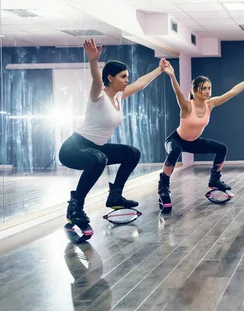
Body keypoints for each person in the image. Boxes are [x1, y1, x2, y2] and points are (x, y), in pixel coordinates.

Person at [59, 39, 165, 234]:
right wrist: (93, 61)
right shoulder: (98, 96)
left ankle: (115, 196)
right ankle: (75, 207)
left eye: (127, 77)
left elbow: (140, 84)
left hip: (95, 148)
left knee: (132, 153)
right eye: (123, 76)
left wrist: (160, 69)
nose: (127, 80)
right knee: (99, 159)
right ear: (110, 77)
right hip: (73, 148)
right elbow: (96, 81)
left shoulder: (118, 96)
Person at [157, 60, 244, 212]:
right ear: (195, 91)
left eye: (209, 88)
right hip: (176, 140)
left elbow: (233, 92)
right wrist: (172, 75)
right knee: (175, 151)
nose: (208, 91)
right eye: (204, 89)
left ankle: (214, 179)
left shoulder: (210, 104)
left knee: (221, 149)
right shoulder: (187, 105)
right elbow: (178, 92)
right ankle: (163, 185)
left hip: (193, 141)